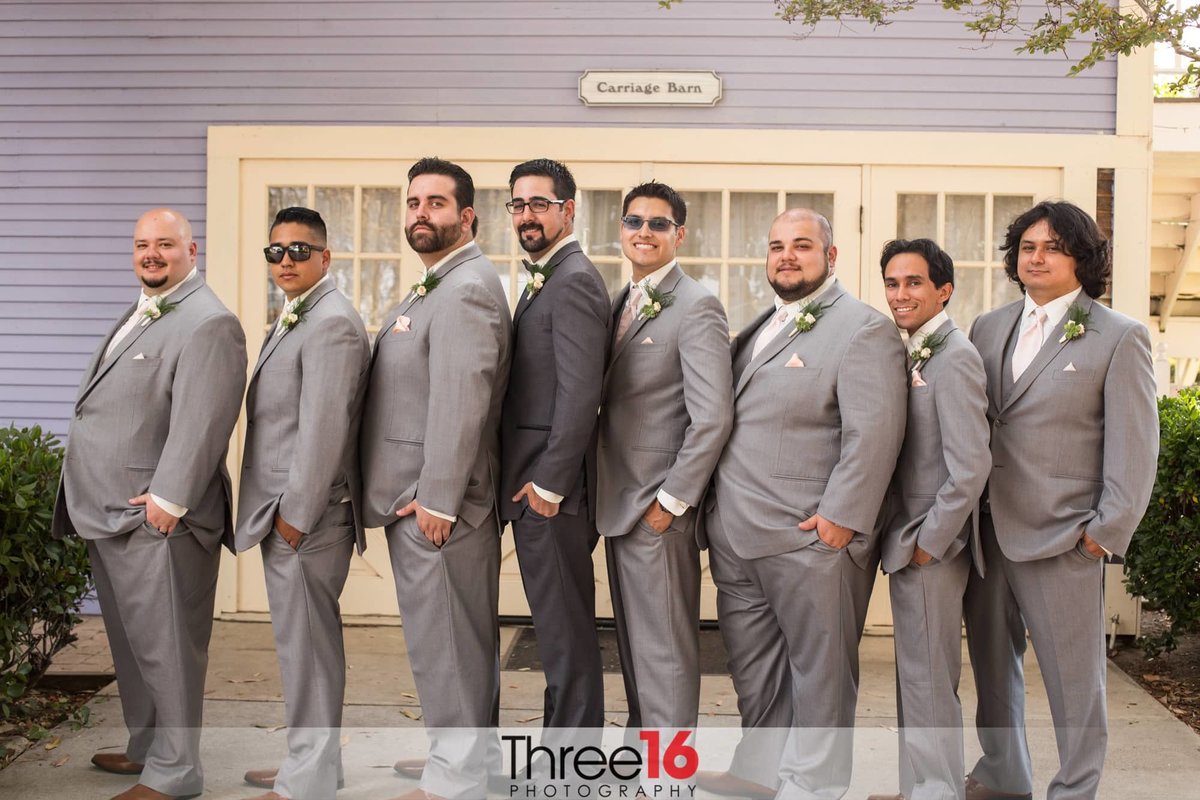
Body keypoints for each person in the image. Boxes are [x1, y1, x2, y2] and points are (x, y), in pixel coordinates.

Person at [697, 209, 906, 800]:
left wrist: (841, 519)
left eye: (802, 245)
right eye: (776, 246)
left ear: (832, 256)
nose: (787, 256)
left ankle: (813, 785)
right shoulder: (764, 323)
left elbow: (875, 434)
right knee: (755, 669)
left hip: (811, 538)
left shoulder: (864, 329)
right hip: (737, 535)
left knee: (821, 677)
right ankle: (757, 772)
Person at [963, 200, 1158, 800]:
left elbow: (1135, 447)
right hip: (985, 530)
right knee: (994, 669)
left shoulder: (1119, 337)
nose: (1037, 257)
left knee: (1075, 683)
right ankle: (1003, 774)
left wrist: (1104, 531)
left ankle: (1074, 789)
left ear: (1082, 258)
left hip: (1064, 538)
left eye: (1053, 246)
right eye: (1028, 247)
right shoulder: (987, 327)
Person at [51, 208, 247, 800]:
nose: (151, 254)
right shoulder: (146, 309)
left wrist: (169, 499)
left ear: (193, 250)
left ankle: (176, 772)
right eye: (142, 244)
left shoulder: (209, 321)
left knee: (168, 649)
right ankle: (147, 747)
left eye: (165, 244)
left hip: (157, 518)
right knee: (133, 645)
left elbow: (205, 418)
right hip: (109, 510)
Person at [359, 157, 512, 800]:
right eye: (414, 202)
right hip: (420, 500)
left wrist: (438, 499)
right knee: (453, 643)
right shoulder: (435, 282)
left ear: (466, 216)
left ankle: (456, 780)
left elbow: (461, 399)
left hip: (436, 507)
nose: (422, 214)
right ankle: (469, 763)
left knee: (447, 645)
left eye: (437, 204)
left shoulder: (467, 286)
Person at [235, 207, 371, 800]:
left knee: (309, 649)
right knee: (301, 646)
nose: (285, 261)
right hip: (289, 514)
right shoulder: (299, 315)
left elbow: (324, 428)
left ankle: (306, 780)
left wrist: (295, 514)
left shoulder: (333, 322)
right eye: (275, 252)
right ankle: (314, 764)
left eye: (298, 250)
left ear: (325, 256)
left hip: (306, 518)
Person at [596, 180, 733, 736]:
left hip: (657, 507)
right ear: (621, 231)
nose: (644, 232)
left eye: (657, 223)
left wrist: (670, 504)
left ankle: (669, 780)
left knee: (666, 652)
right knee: (636, 649)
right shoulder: (618, 301)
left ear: (679, 234)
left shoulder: (697, 306)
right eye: (634, 222)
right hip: (617, 500)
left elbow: (713, 417)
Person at [866, 239, 990, 800]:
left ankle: (937, 788)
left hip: (929, 542)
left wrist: (928, 542)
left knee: (931, 677)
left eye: (913, 282)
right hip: (907, 538)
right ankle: (918, 784)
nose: (900, 294)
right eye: (892, 283)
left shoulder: (955, 356)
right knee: (916, 673)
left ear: (944, 290)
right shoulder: (914, 348)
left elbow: (970, 466)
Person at [499, 159, 609, 747]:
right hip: (533, 483)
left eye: (540, 203)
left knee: (564, 628)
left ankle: (574, 757)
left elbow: (580, 391)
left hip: (550, 492)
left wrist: (549, 485)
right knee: (554, 625)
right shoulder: (547, 274)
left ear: (568, 210)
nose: (527, 215)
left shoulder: (574, 279)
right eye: (518, 205)